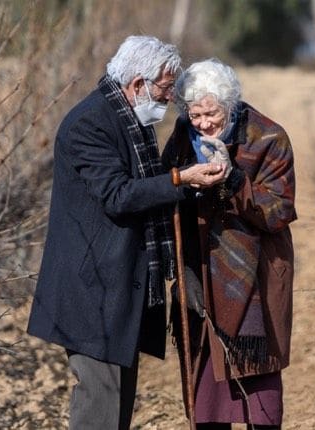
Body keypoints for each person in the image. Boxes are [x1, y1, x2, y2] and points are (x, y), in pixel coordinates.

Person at [27, 36, 227, 429]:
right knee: (100, 406)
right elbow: (117, 195)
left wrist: (189, 183)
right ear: (138, 84)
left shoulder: (130, 118)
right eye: (166, 89)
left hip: (121, 289)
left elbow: (149, 185)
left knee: (117, 406)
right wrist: (180, 178)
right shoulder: (90, 123)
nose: (170, 99)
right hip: (94, 293)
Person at [162, 58, 297, 429]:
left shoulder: (270, 137)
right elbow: (166, 184)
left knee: (257, 378)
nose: (203, 124)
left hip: (254, 277)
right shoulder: (181, 136)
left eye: (211, 114)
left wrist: (233, 180)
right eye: (195, 114)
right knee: (205, 386)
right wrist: (181, 182)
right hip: (200, 272)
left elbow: (278, 212)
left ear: (230, 105)